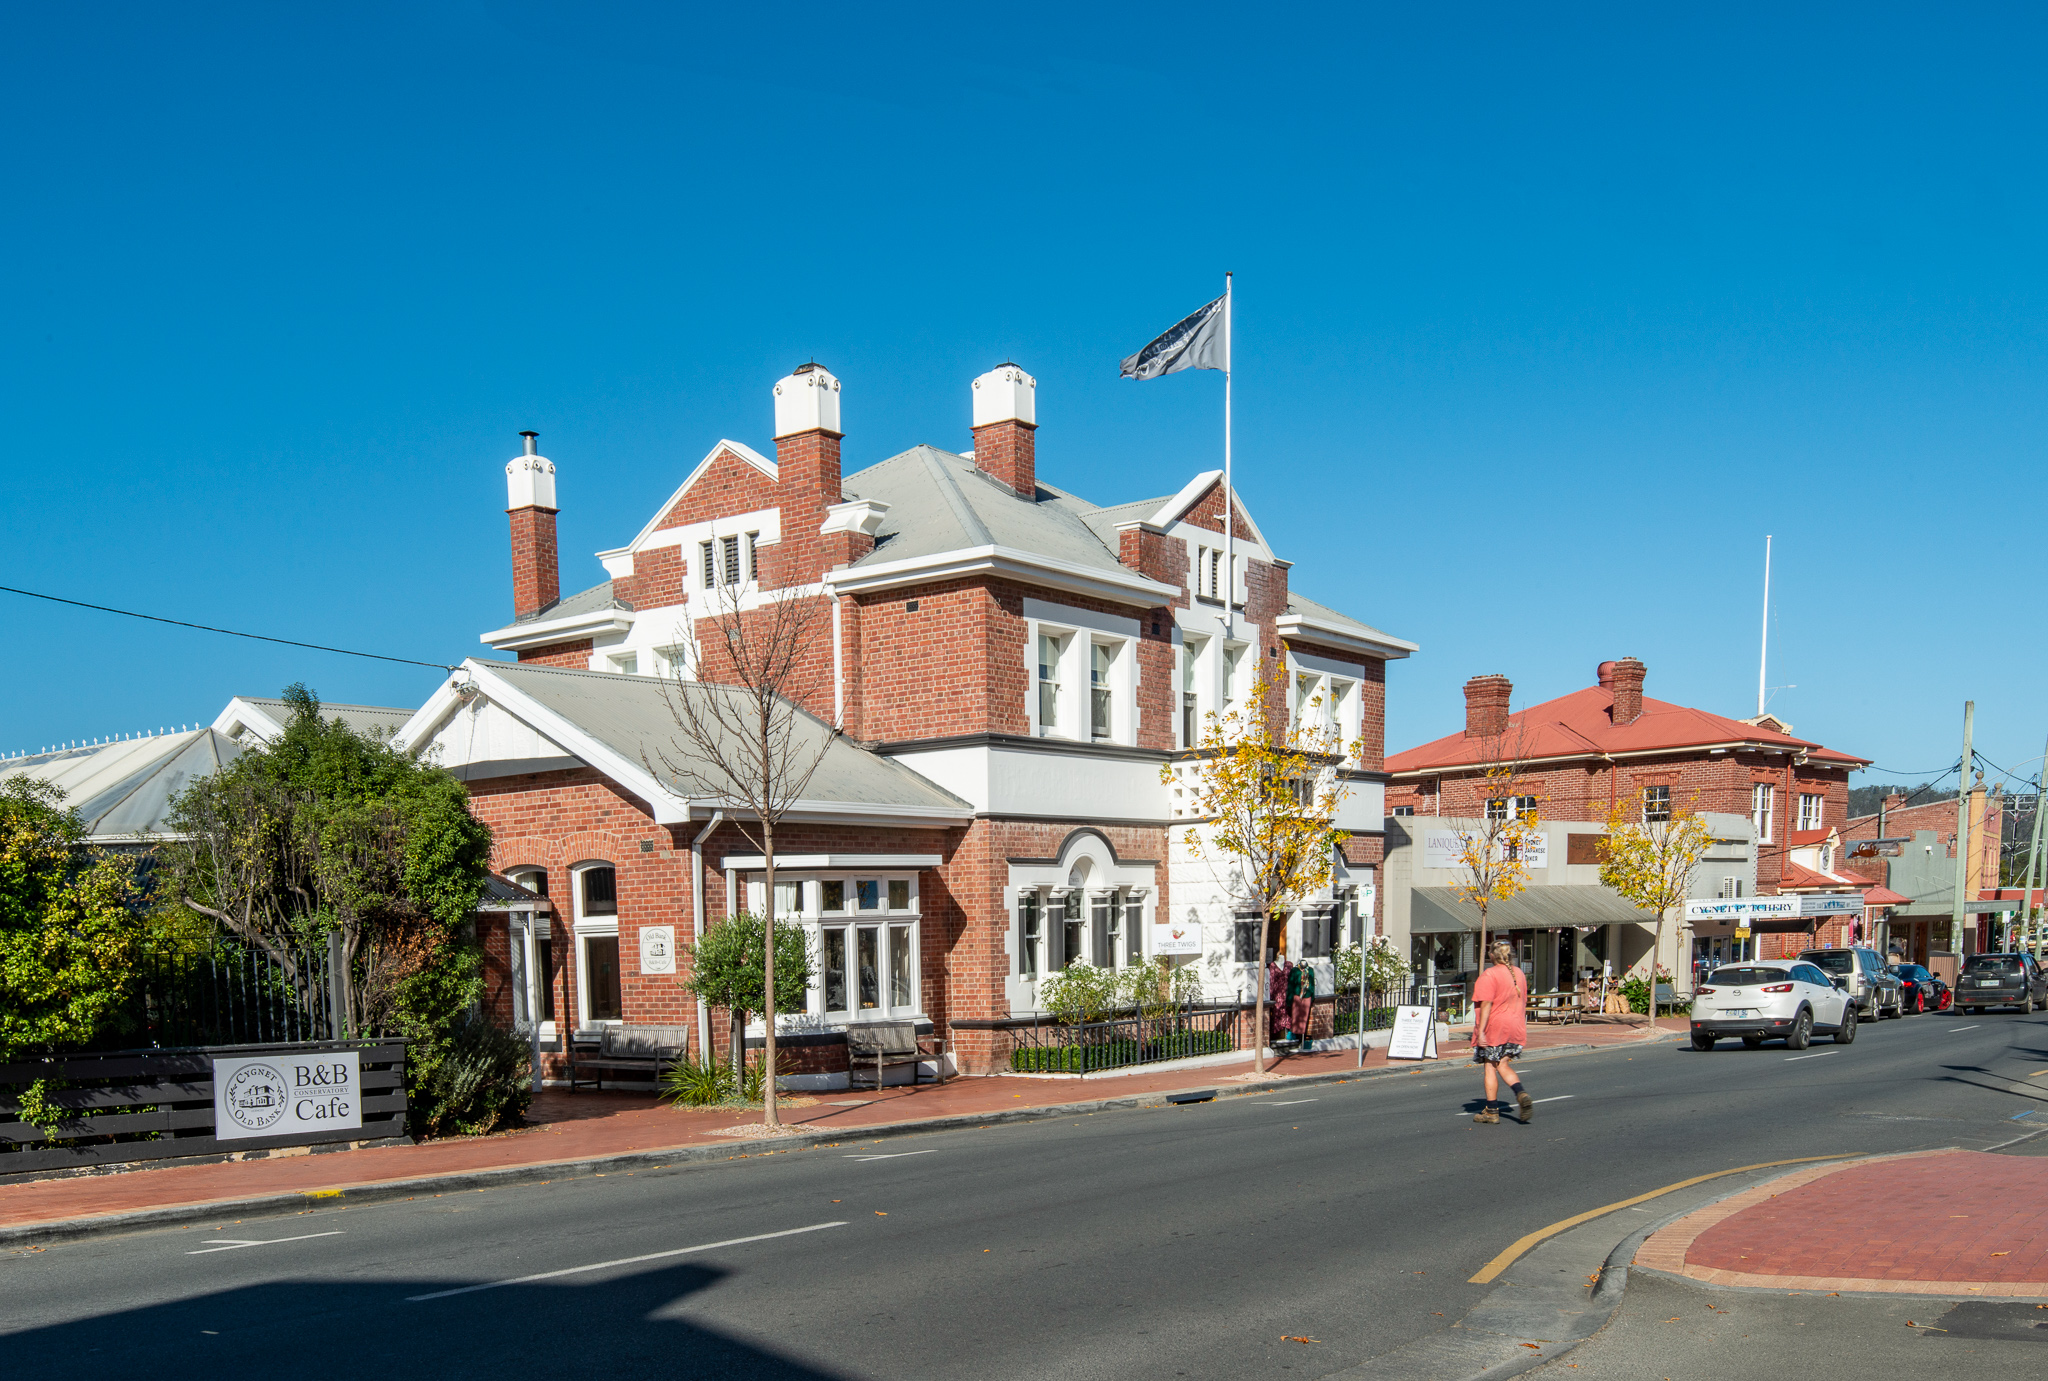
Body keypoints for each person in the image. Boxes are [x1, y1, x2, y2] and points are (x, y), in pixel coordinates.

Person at [1471, 938, 1532, 1125]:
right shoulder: (1518, 973)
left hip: (1495, 1026)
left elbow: (1486, 1004)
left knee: (1490, 1066)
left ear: (1491, 956)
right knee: (1503, 1064)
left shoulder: (1490, 974)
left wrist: (1481, 1031)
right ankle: (1520, 1092)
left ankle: (1492, 1111)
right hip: (1516, 1025)